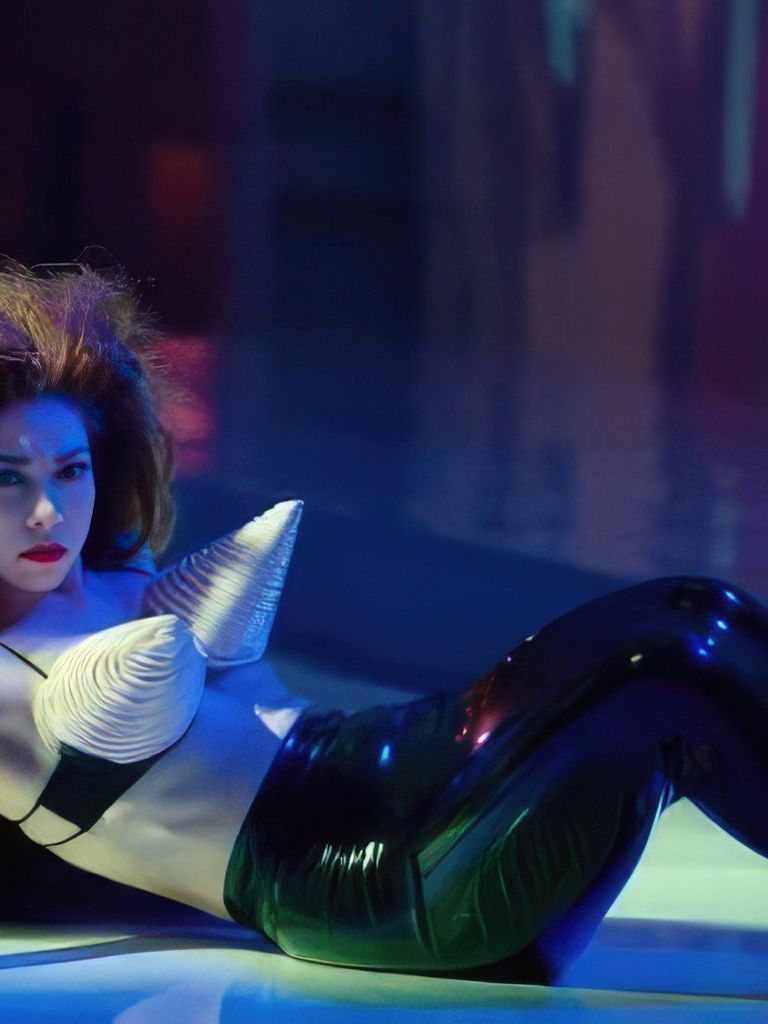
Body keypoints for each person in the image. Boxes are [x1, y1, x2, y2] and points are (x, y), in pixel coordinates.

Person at [0, 263, 765, 985]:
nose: (48, 512)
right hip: (367, 883)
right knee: (666, 668)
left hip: (403, 760)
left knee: (697, 611)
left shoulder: (116, 566)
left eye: (70, 471)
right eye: (8, 479)